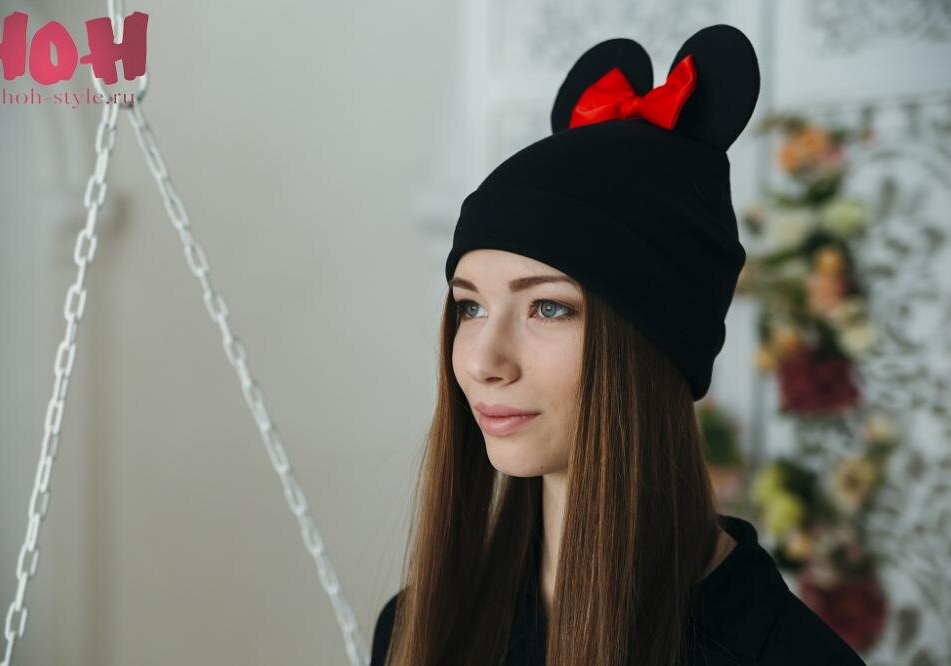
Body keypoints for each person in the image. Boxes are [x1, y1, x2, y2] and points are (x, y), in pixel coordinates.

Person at [370, 24, 866, 665]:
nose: (481, 361)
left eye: (548, 307)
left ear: (654, 343)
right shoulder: (418, 629)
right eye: (471, 306)